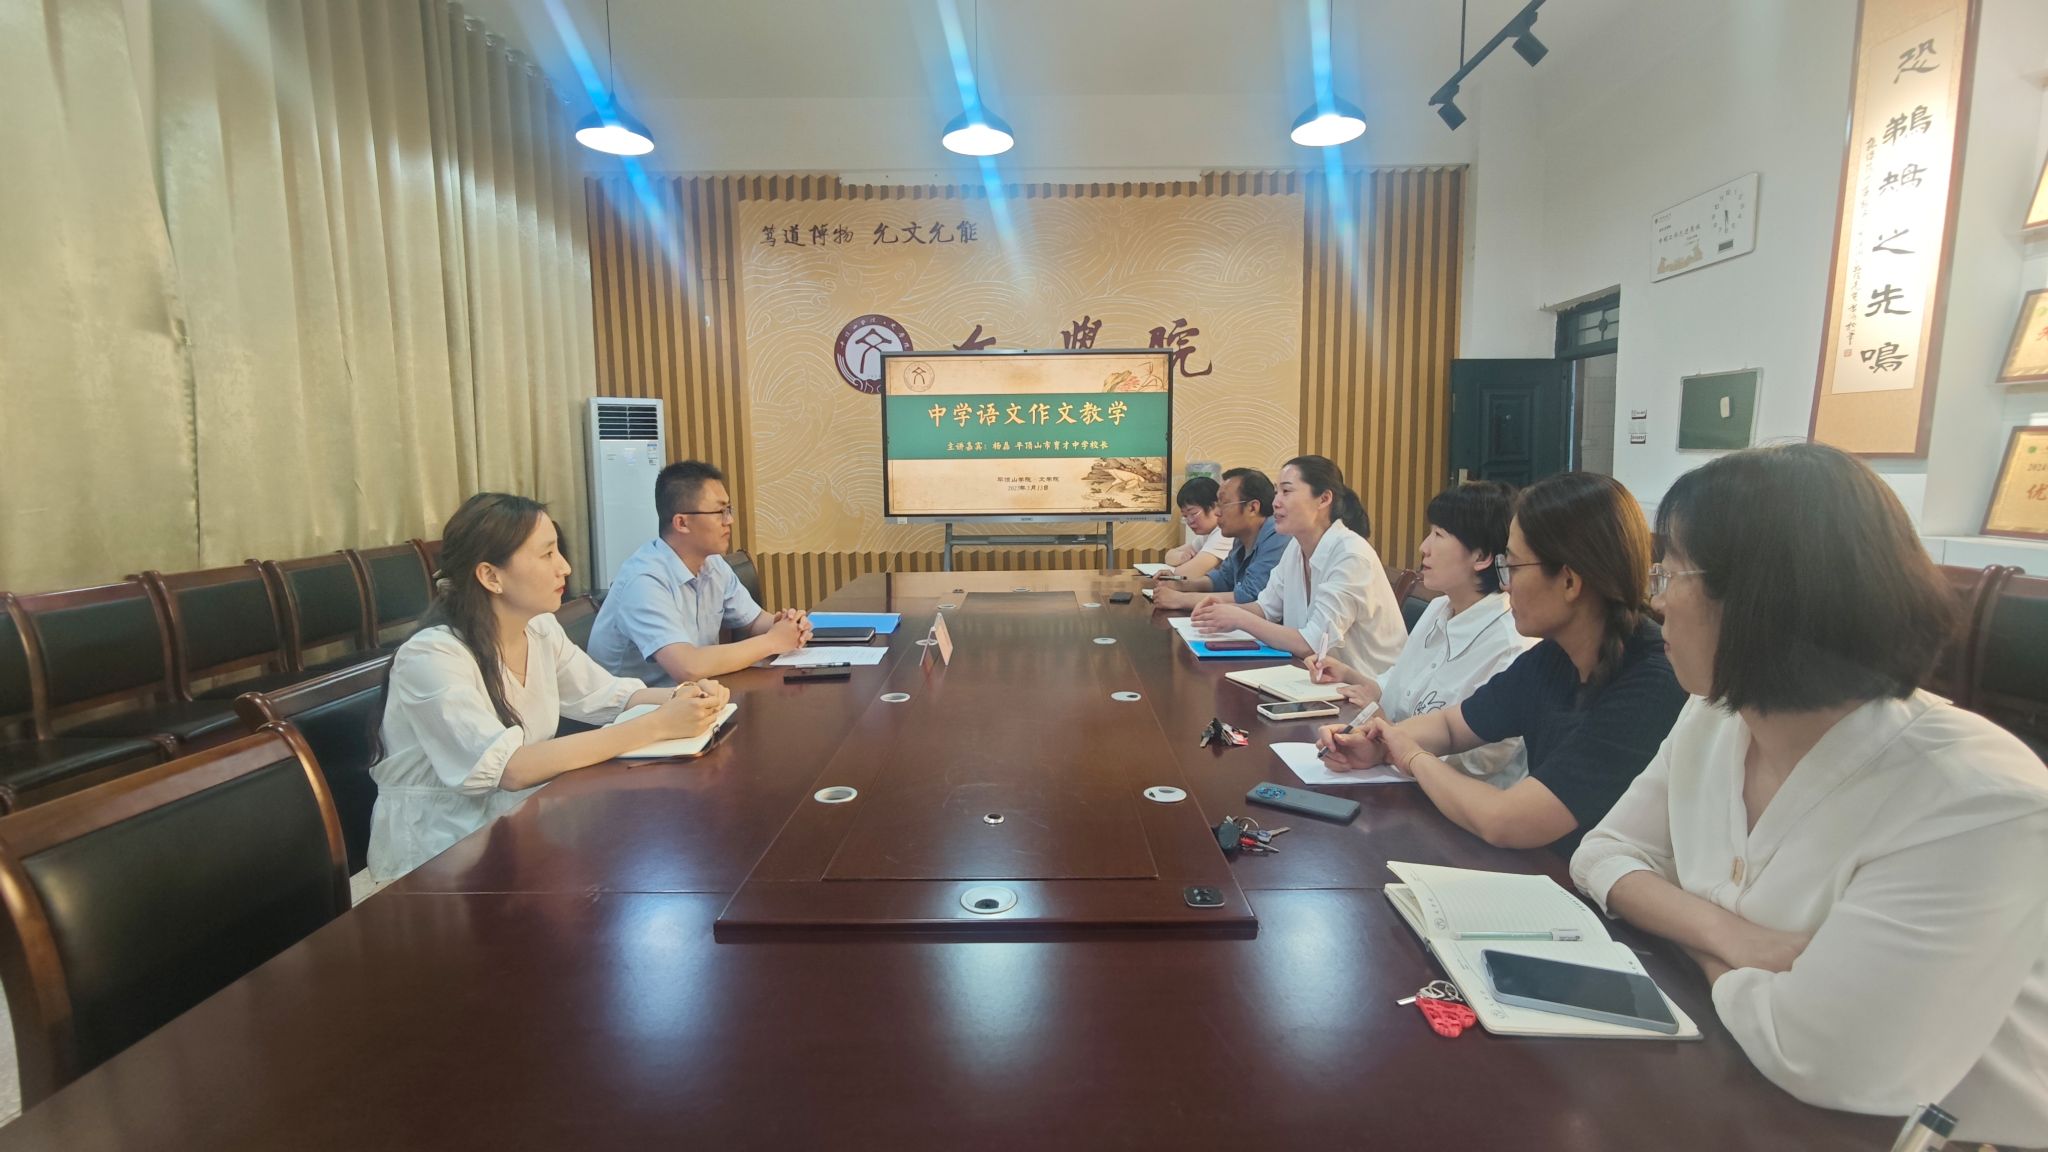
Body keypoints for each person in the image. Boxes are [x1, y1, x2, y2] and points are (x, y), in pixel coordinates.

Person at [1569, 444, 2048, 1146]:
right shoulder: (1715, 717)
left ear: (1766, 597)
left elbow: (1817, 1054)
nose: (1656, 599)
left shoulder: (1976, 797)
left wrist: (1687, 941)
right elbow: (1602, 854)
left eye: (1670, 573)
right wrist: (1731, 938)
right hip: (1736, 1085)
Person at [369, 494, 730, 882]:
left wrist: (686, 695)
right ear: (490, 576)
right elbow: (510, 768)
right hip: (438, 860)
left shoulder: (539, 628)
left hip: (514, 832)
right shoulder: (431, 656)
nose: (565, 567)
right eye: (546, 555)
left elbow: (608, 695)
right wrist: (657, 725)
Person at [1317, 471, 1683, 852]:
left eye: (1514, 567)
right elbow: (1452, 726)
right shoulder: (1555, 655)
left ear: (1569, 582)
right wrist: (1381, 743)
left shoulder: (1650, 683)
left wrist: (1410, 755)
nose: (1505, 584)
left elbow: (1506, 821)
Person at [1307, 481, 1535, 786]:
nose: (1423, 547)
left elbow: (1481, 760)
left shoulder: (1512, 645)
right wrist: (1352, 677)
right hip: (1395, 775)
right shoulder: (1440, 608)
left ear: (1481, 557)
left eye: (1439, 535)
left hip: (1453, 799)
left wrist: (1388, 743)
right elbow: (1401, 684)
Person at [588, 460, 810, 684]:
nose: (729, 520)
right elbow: (687, 667)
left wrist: (788, 625)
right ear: (682, 523)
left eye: (729, 510)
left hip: (694, 696)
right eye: (720, 512)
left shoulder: (713, 564)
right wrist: (773, 641)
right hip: (643, 703)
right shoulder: (644, 581)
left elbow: (754, 621)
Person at [1188, 455, 1406, 677]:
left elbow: (1311, 644)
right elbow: (1266, 609)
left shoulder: (1351, 554)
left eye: (1286, 491)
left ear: (1323, 499)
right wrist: (1224, 611)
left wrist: (1238, 618)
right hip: (1314, 679)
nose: (1275, 502)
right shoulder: (1295, 547)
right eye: (1276, 492)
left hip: (1366, 686)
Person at [1151, 468, 1287, 610]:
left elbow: (1251, 596)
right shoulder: (1241, 536)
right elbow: (1223, 579)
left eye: (1224, 503)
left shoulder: (1277, 536)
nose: (1217, 512)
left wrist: (1181, 599)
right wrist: (1180, 585)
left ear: (1252, 508)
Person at [1158, 476, 1232, 580]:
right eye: (1185, 516)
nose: (1190, 521)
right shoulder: (1208, 533)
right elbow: (1169, 556)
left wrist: (1182, 565)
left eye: (1193, 513)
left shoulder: (1224, 534)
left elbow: (1185, 574)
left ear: (1214, 506)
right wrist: (1183, 557)